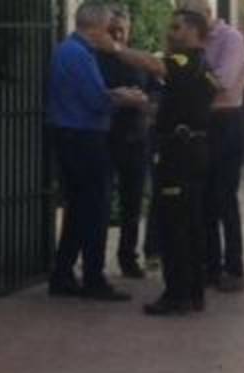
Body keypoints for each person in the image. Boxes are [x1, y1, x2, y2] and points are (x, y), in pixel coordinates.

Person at [99, 9, 220, 316]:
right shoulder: (203, 65)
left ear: (193, 31)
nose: (170, 32)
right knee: (192, 223)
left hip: (179, 154)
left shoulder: (185, 60)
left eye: (176, 27)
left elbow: (154, 64)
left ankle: (177, 295)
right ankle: (193, 293)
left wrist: (114, 48)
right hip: (194, 149)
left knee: (174, 225)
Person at [47, 2, 146, 301]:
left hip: (71, 133)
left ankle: (62, 274)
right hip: (83, 135)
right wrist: (124, 98)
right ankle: (93, 277)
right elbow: (95, 99)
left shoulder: (68, 50)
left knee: (78, 209)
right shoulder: (79, 54)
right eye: (106, 27)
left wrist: (114, 95)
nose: (109, 33)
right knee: (94, 208)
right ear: (95, 27)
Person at [177, 0, 244, 293]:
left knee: (224, 197)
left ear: (206, 14)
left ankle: (234, 268)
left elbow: (223, 81)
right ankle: (210, 265)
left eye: (190, 17)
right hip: (200, 120)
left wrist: (189, 74)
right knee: (202, 196)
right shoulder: (192, 41)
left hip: (225, 120)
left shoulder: (230, 38)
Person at [98, 5, 152, 279]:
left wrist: (145, 104)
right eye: (113, 28)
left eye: (122, 28)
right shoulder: (96, 58)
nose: (118, 34)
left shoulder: (138, 59)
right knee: (101, 200)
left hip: (135, 138)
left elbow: (157, 94)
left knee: (132, 203)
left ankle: (128, 258)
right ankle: (93, 260)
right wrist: (116, 97)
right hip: (106, 137)